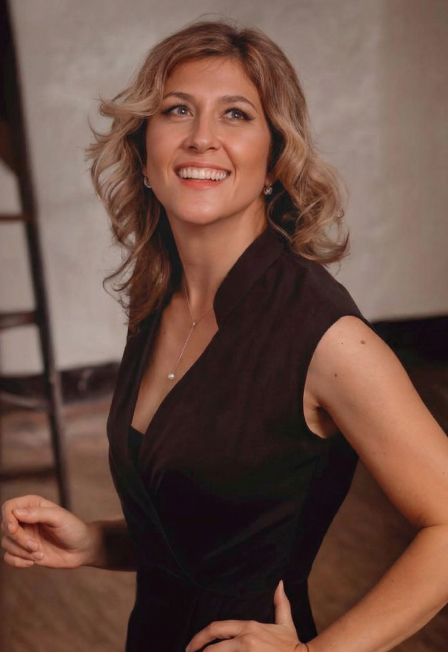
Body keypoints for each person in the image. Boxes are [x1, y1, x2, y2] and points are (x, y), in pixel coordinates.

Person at [2, 19, 448, 652]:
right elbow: (211, 530)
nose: (202, 137)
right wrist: (95, 542)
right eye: (177, 110)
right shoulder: (160, 301)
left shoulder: (327, 337)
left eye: (236, 114)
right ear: (145, 152)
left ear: (274, 162)